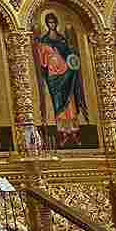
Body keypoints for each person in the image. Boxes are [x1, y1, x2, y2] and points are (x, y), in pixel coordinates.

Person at [34, 12, 88, 144]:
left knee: (70, 102)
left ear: (56, 23)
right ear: (47, 24)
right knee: (58, 101)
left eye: (53, 22)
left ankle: (74, 130)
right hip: (53, 75)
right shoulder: (44, 40)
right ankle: (63, 131)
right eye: (49, 22)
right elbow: (42, 62)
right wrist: (44, 51)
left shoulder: (62, 39)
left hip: (66, 73)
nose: (51, 24)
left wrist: (71, 54)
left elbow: (70, 56)